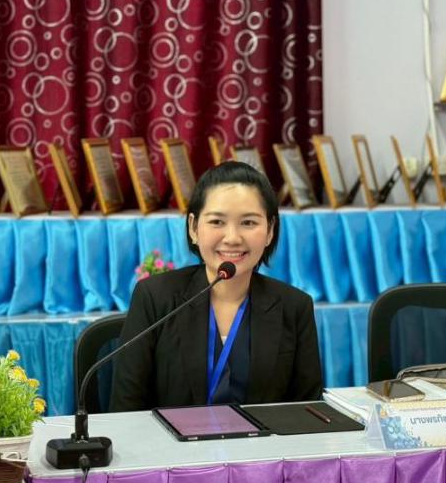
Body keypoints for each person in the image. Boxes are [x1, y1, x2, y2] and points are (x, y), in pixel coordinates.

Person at [111, 161, 323, 411]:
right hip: (168, 438)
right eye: (217, 222)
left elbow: (308, 411)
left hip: (265, 438)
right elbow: (126, 408)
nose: (232, 238)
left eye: (248, 222)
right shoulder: (155, 297)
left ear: (270, 231)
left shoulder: (294, 307)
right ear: (193, 228)